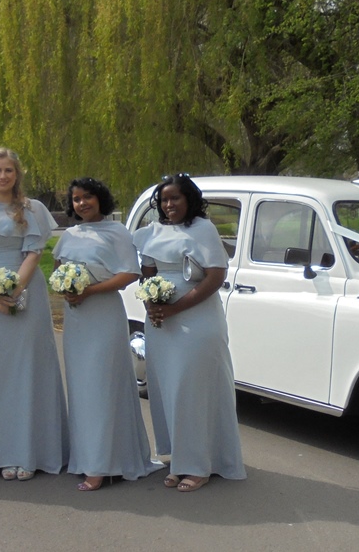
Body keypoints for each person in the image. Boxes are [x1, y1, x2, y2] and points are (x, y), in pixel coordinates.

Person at [132, 173, 246, 492]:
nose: (169, 205)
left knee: (193, 390)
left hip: (197, 319)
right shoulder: (150, 232)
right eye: (164, 199)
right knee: (169, 388)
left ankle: (200, 465)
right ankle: (180, 458)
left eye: (176, 198)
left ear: (189, 200)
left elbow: (214, 278)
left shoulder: (203, 229)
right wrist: (152, 302)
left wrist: (175, 307)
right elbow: (148, 273)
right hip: (161, 323)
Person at [0, 148, 68, 481]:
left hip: (27, 292)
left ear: (17, 174)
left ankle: (33, 452)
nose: (3, 176)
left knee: (29, 368)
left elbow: (34, 253)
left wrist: (15, 289)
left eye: (8, 170)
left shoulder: (31, 208)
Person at [53, 177, 163, 491]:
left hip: (103, 314)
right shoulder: (70, 234)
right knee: (81, 386)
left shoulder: (117, 232)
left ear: (101, 199)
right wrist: (68, 286)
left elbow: (130, 273)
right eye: (76, 199)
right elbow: (59, 265)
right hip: (76, 319)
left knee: (103, 385)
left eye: (87, 197)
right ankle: (87, 457)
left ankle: (101, 465)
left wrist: (89, 290)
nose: (82, 203)